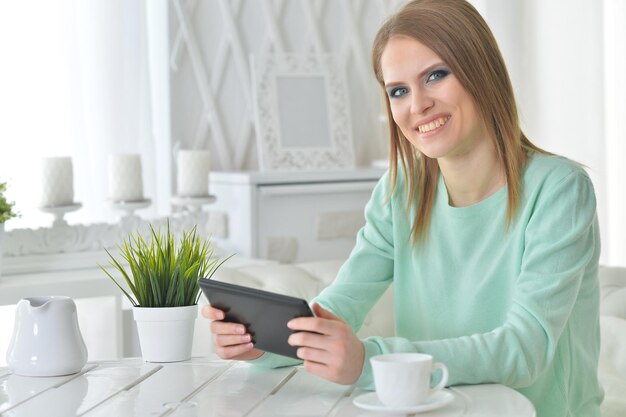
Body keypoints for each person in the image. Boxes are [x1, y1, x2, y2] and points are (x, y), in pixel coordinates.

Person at [202, 0, 603, 415]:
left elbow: (525, 347)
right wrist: (261, 344)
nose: (417, 105)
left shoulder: (559, 190)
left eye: (436, 75)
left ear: (482, 70)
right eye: (399, 91)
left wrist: (370, 361)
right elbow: (340, 307)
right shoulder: (401, 190)